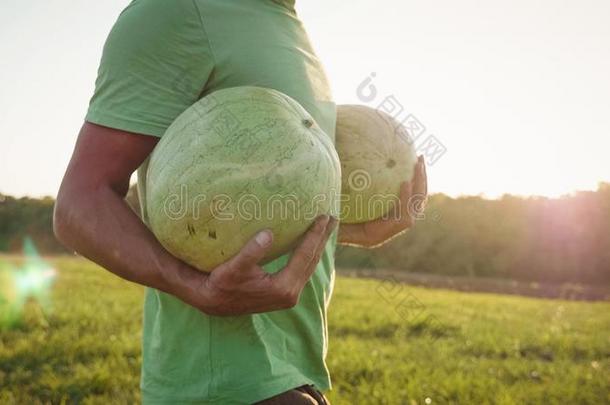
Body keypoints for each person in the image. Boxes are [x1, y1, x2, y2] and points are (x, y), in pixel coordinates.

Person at [53, 0, 428, 403]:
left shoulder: (288, 25)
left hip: (296, 375)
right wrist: (193, 286)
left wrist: (355, 232)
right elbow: (80, 203)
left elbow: (269, 202)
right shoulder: (178, 12)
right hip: (222, 386)